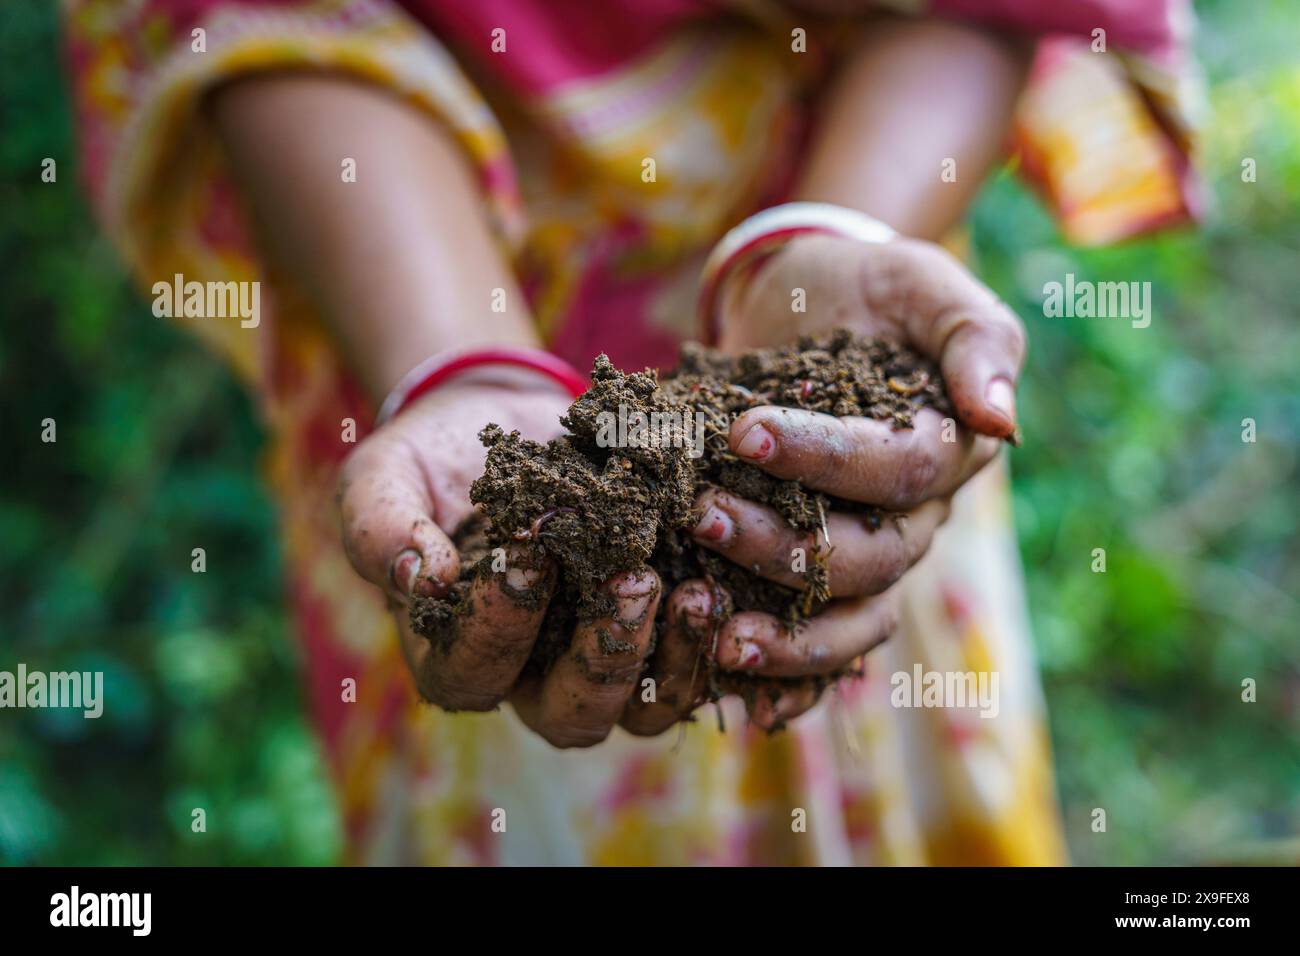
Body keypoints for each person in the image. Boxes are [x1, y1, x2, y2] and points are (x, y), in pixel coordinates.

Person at [64, 0, 1200, 864]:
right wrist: (462, 360)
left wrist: (827, 236)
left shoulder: (844, 366)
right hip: (409, 318)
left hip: (847, 349)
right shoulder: (470, 478)